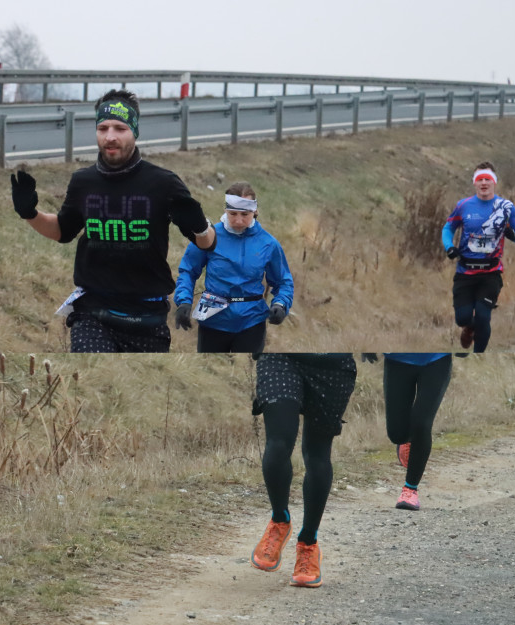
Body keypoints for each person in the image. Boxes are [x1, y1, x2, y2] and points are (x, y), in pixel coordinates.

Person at [10, 89, 216, 353]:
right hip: (92, 313)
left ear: (134, 132)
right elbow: (63, 230)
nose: (110, 137)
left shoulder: (163, 183)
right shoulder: (83, 181)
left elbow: (208, 243)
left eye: (120, 128)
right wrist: (30, 214)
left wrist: (200, 225)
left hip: (148, 319)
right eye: (103, 127)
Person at [250, 353, 356, 588]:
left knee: (317, 455)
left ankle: (308, 544)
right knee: (278, 444)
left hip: (334, 365)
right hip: (281, 358)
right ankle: (280, 520)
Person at [173, 182, 294, 353]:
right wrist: (184, 301)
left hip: (251, 322)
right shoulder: (208, 236)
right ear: (225, 211)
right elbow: (188, 271)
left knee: (245, 372)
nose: (238, 220)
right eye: (233, 213)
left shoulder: (268, 243)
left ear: (255, 211)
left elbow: (283, 282)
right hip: (213, 321)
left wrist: (280, 304)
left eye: (245, 214)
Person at [442, 162, 515, 352]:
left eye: (487, 179)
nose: (483, 183)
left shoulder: (505, 207)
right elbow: (448, 228)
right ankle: (469, 327)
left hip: (491, 273)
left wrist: (514, 235)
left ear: (494, 182)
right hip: (465, 271)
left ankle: (479, 354)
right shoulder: (463, 205)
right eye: (479, 180)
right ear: (474, 183)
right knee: (462, 318)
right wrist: (449, 247)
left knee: (483, 315)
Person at [380, 353, 452, 510]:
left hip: (437, 360)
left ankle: (410, 489)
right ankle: (408, 439)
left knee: (421, 423)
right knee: (397, 434)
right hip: (397, 360)